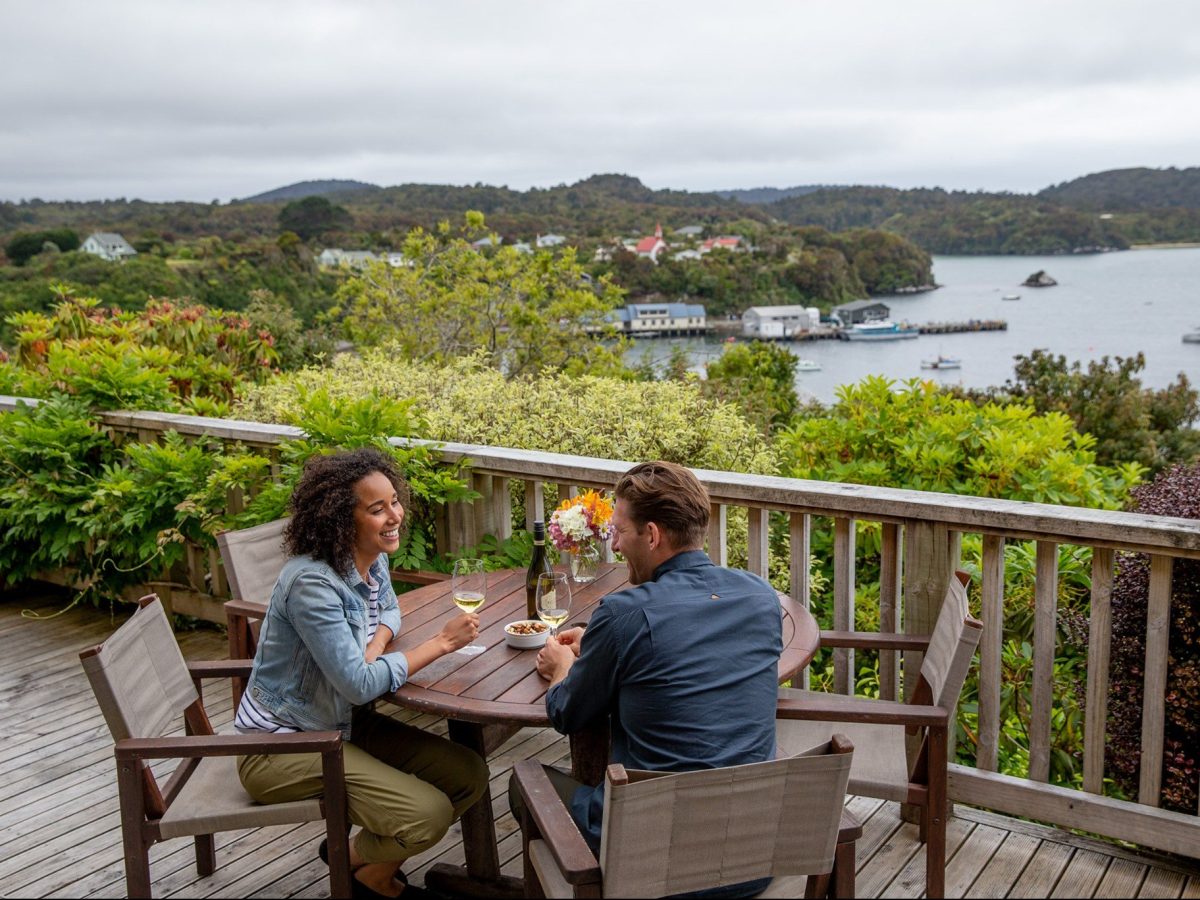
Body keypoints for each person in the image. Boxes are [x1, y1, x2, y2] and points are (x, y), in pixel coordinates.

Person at [513, 461, 783, 894]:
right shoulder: (761, 596)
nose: (616, 543)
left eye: (620, 531)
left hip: (653, 867)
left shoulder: (623, 615)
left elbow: (567, 713)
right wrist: (600, 645)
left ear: (652, 535)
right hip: (752, 859)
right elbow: (693, 654)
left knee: (522, 783)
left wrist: (562, 668)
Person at [236, 448, 489, 900]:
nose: (395, 516)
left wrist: (371, 647)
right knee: (427, 814)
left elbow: (390, 610)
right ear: (341, 519)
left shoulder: (370, 559)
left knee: (468, 773)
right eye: (377, 509)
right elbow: (358, 684)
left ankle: (371, 876)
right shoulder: (312, 584)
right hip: (281, 746)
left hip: (341, 722)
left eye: (395, 501)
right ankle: (346, 859)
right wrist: (442, 643)